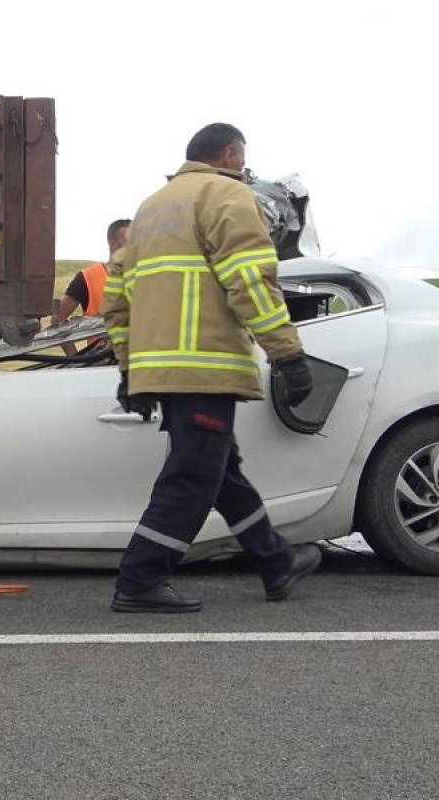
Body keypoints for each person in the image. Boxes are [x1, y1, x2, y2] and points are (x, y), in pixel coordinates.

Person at [101, 123, 320, 613]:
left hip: (164, 369)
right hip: (205, 365)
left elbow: (116, 302)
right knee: (193, 475)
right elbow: (251, 282)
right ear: (230, 152)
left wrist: (129, 370)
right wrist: (287, 352)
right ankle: (140, 579)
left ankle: (275, 561)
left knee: (221, 472)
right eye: (241, 157)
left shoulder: (151, 208)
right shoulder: (226, 196)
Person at [52, 219, 132, 328]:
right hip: (102, 345)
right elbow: (58, 320)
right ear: (113, 244)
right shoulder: (87, 278)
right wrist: (79, 346)